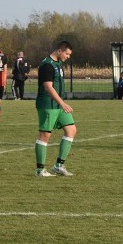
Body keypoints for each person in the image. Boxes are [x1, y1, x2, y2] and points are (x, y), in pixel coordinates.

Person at [35, 41, 77, 177]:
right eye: (67, 54)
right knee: (45, 135)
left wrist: (61, 104)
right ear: (59, 51)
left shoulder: (58, 64)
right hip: (48, 104)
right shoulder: (47, 64)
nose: (68, 57)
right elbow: (48, 87)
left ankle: (59, 166)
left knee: (71, 130)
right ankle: (40, 170)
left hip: (58, 105)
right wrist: (63, 103)